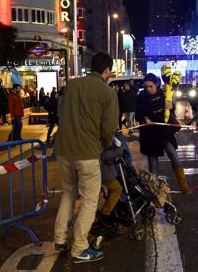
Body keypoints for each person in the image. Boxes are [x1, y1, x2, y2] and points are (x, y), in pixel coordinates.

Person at [53, 52, 118, 263]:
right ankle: (80, 247)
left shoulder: (72, 85)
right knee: (90, 200)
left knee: (68, 193)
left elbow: (60, 112)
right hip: (88, 153)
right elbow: (109, 128)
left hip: (63, 150)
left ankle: (60, 239)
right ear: (106, 71)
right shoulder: (107, 92)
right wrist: (103, 144)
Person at [135, 73, 191, 194]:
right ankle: (154, 190)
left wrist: (171, 106)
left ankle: (183, 184)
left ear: (156, 84)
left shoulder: (163, 94)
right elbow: (137, 113)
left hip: (164, 132)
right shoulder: (141, 96)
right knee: (153, 163)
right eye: (146, 87)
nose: (148, 89)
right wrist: (145, 118)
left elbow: (171, 109)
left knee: (173, 155)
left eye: (151, 86)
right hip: (149, 135)